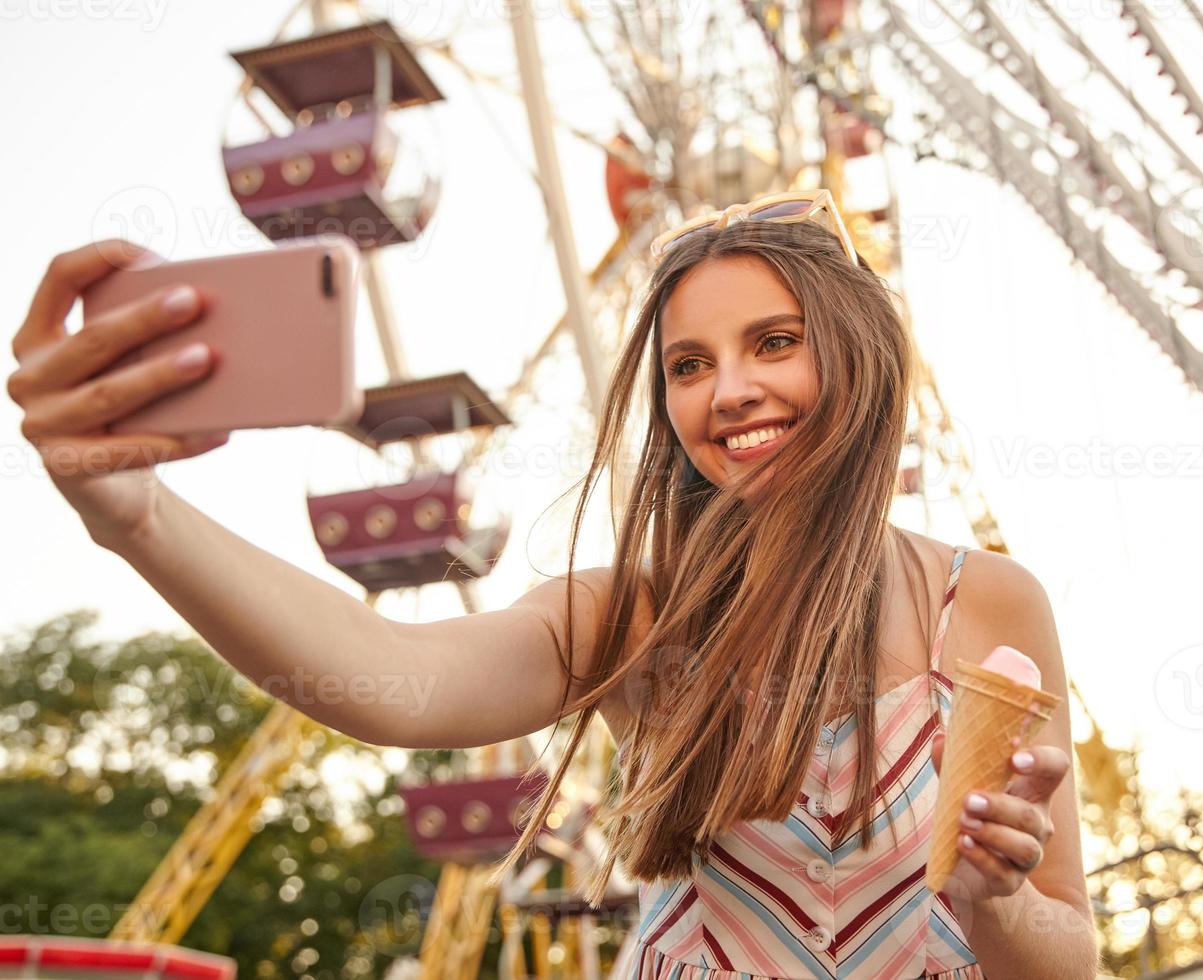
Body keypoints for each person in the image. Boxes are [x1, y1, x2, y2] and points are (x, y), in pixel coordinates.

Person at [7, 189, 1099, 978]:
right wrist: (138, 517)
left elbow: (1069, 960)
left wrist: (995, 900)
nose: (730, 388)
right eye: (688, 363)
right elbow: (396, 677)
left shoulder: (993, 604)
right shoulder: (636, 612)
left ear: (860, 357)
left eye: (775, 341)